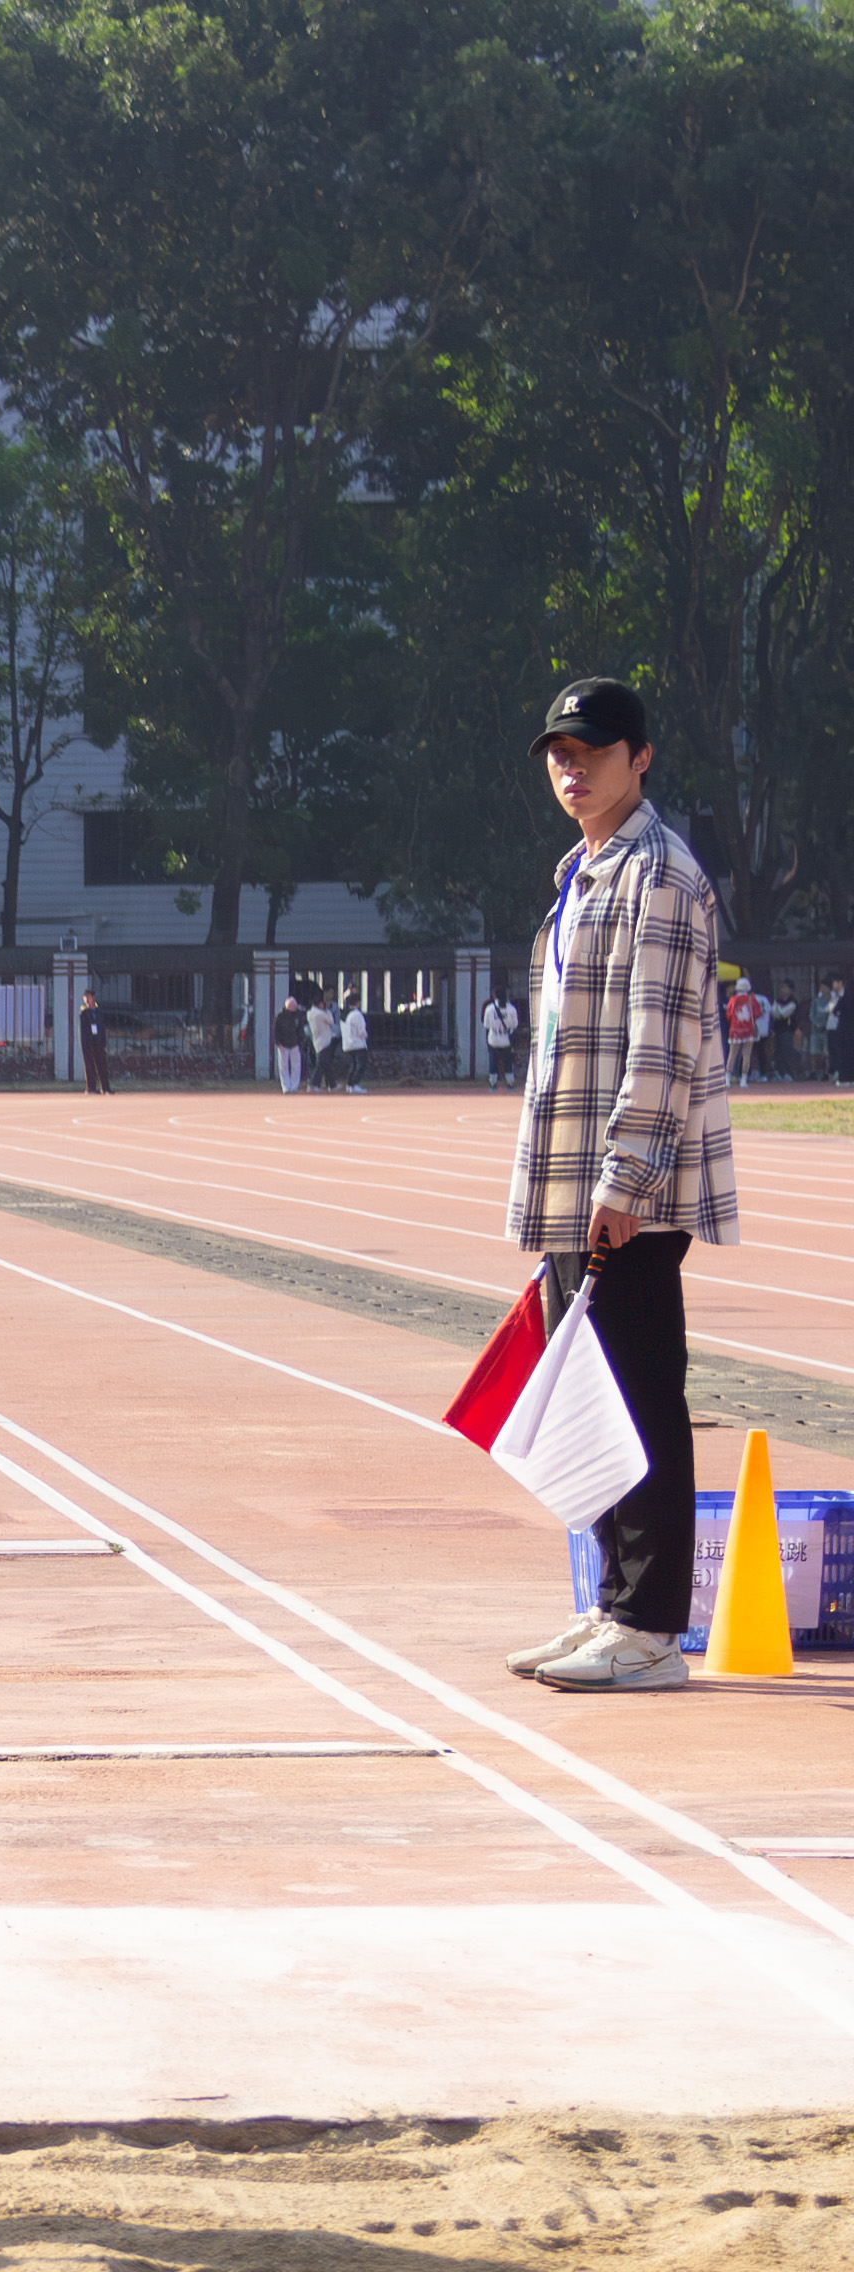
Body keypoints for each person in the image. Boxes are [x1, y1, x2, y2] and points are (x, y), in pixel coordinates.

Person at [496, 681, 736, 1697]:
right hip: (570, 1180)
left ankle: (649, 1626)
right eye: (558, 749)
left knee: (639, 1392)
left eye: (592, 749)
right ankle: (609, 1601)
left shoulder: (663, 877)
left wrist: (627, 1176)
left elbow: (663, 1043)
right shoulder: (580, 873)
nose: (571, 766)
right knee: (592, 1399)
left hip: (626, 1186)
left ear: (640, 759)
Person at [482, 985, 522, 1092]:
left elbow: (486, 1025)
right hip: (506, 1040)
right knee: (508, 1062)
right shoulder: (512, 1009)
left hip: (493, 1039)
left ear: (494, 996)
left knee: (493, 1061)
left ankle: (493, 1083)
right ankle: (509, 1082)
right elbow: (515, 1025)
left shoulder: (489, 1009)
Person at [78, 989, 114, 1097]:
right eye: (88, 997)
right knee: (89, 1066)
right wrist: (84, 1045)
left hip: (98, 1041)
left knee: (102, 1065)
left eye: (91, 997)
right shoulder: (84, 1013)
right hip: (89, 1043)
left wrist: (104, 1042)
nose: (90, 999)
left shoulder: (98, 1012)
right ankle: (91, 1088)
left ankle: (105, 1087)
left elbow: (102, 1028)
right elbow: (83, 1031)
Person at [272, 992, 307, 1094]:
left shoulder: (298, 1015)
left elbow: (300, 1030)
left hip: (295, 1043)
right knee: (283, 1066)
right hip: (283, 1044)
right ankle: (286, 1087)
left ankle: (294, 1086)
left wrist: (300, 1042)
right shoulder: (280, 1016)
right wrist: (278, 1042)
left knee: (296, 1065)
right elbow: (275, 1030)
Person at [303, 995, 338, 1096]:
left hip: (318, 1039)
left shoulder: (310, 1013)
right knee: (321, 1064)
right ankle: (314, 1084)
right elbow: (331, 1021)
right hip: (324, 1040)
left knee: (326, 1063)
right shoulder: (320, 1014)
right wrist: (327, 1010)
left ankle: (332, 1084)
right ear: (320, 1004)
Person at [338, 996, 370, 1093]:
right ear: (357, 1002)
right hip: (358, 1044)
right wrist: (365, 1036)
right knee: (361, 1066)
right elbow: (361, 1031)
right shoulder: (356, 1014)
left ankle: (350, 1084)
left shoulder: (344, 1014)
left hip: (347, 1044)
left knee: (354, 1065)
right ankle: (354, 1084)